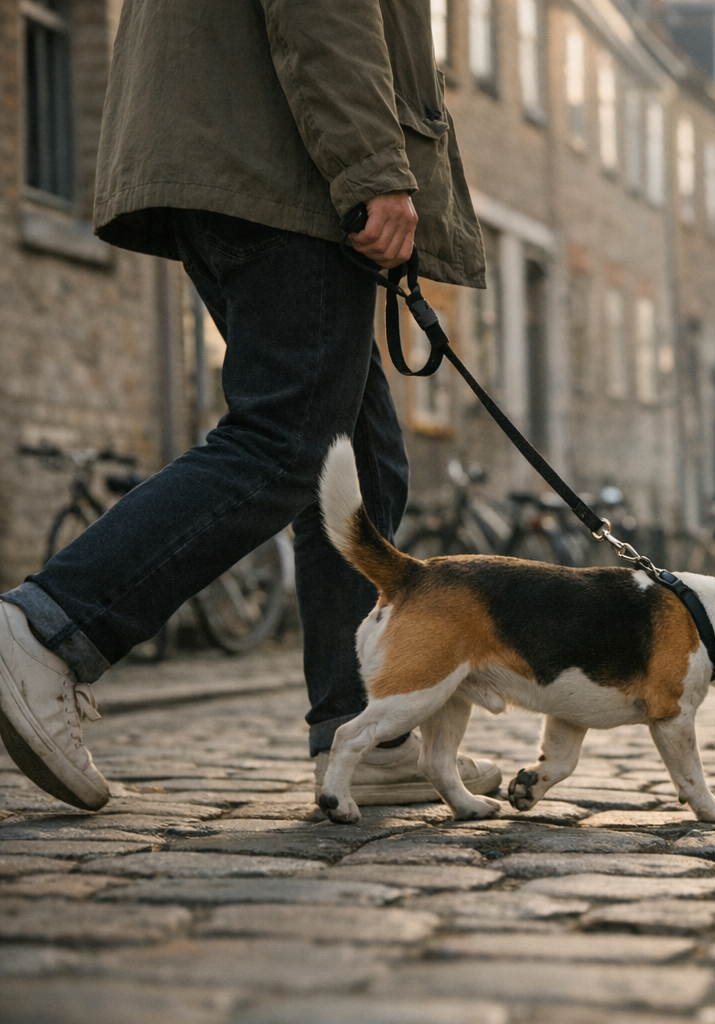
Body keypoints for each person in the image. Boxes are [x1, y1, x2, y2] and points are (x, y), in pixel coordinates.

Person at [0, 0, 501, 810]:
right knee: (286, 440)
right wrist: (372, 167)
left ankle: (364, 728)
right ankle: (48, 627)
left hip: (243, 149)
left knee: (363, 465)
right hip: (278, 163)